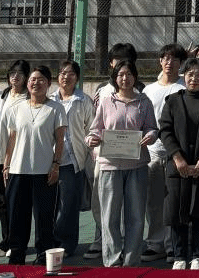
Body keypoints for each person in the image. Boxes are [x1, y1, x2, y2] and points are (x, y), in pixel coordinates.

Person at [87, 60, 158, 267]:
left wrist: (150, 136)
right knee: (109, 217)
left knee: (135, 217)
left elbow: (152, 127)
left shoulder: (144, 101)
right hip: (110, 166)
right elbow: (95, 129)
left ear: (135, 76)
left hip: (137, 166)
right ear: (115, 78)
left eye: (129, 74)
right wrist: (91, 139)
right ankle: (112, 260)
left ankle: (131, 261)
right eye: (120, 74)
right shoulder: (106, 101)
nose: (125, 78)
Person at [159, 57, 199, 270]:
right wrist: (177, 158)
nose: (194, 79)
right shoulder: (173, 101)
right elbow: (165, 131)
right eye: (190, 74)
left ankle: (198, 255)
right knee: (177, 211)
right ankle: (179, 255)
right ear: (183, 76)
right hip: (177, 166)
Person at [2, 65, 66, 266]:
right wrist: (6, 165)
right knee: (17, 217)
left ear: (49, 83)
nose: (35, 83)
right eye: (32, 79)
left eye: (41, 79)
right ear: (27, 83)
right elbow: (12, 138)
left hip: (44, 172)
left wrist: (56, 165)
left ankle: (43, 256)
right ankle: (17, 255)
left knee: (43, 217)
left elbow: (60, 140)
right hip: (18, 170)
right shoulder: (17, 108)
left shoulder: (56, 108)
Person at [85, 43, 140, 261]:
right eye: (117, 61)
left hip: (133, 160)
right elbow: (94, 124)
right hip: (105, 157)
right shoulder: (102, 90)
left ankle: (127, 247)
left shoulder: (141, 92)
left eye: (127, 61)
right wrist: (94, 142)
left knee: (132, 206)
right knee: (103, 203)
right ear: (111, 64)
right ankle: (101, 239)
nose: (122, 67)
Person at [141, 43, 187, 262]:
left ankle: (172, 245)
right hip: (153, 152)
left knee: (175, 201)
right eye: (166, 58)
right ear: (160, 61)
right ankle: (155, 243)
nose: (170, 62)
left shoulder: (185, 87)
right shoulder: (148, 90)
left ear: (181, 63)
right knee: (153, 201)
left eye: (175, 59)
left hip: (177, 153)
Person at [49, 60, 95, 257]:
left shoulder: (83, 100)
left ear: (77, 78)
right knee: (50, 204)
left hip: (72, 160)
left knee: (68, 205)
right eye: (62, 73)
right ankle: (49, 242)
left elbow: (91, 128)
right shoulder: (49, 99)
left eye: (70, 73)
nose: (65, 77)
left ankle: (66, 244)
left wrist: (89, 148)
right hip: (48, 160)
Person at [0, 58, 30, 258]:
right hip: (2, 156)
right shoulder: (4, 95)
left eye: (20, 74)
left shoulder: (28, 98)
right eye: (12, 73)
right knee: (4, 201)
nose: (15, 77)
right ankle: (5, 240)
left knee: (19, 202)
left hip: (19, 156)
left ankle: (17, 242)